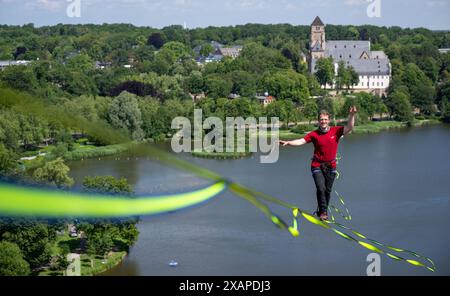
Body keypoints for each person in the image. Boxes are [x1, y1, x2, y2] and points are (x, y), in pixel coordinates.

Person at [279, 106, 357, 220]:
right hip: (317, 165)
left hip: (331, 166)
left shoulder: (336, 131)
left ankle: (322, 210)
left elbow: (350, 127)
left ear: (328, 120)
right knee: (321, 188)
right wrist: (288, 142)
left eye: (325, 119)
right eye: (321, 119)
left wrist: (352, 115)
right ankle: (323, 212)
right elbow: (301, 141)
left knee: (327, 190)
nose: (323, 121)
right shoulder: (314, 134)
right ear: (318, 121)